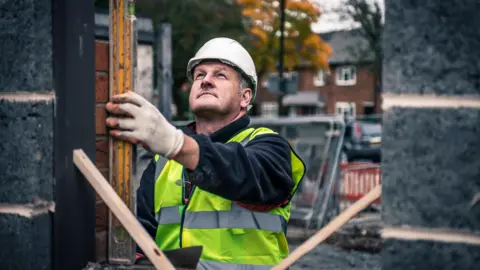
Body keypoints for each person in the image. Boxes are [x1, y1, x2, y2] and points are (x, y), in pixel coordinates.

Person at [105, 37, 306, 269]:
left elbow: (240, 172)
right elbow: (141, 235)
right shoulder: (163, 163)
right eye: (200, 75)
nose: (206, 81)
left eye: (220, 75)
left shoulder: (270, 147)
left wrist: (176, 143)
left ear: (245, 97)